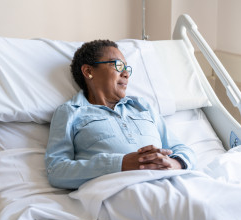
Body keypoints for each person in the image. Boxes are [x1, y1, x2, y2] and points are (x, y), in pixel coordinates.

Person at [45, 39, 196, 189]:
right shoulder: (70, 111)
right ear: (88, 71)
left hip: (172, 181)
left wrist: (174, 163)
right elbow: (56, 171)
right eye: (118, 65)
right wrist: (121, 163)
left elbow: (183, 149)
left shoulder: (142, 106)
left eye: (127, 69)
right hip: (122, 189)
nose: (126, 74)